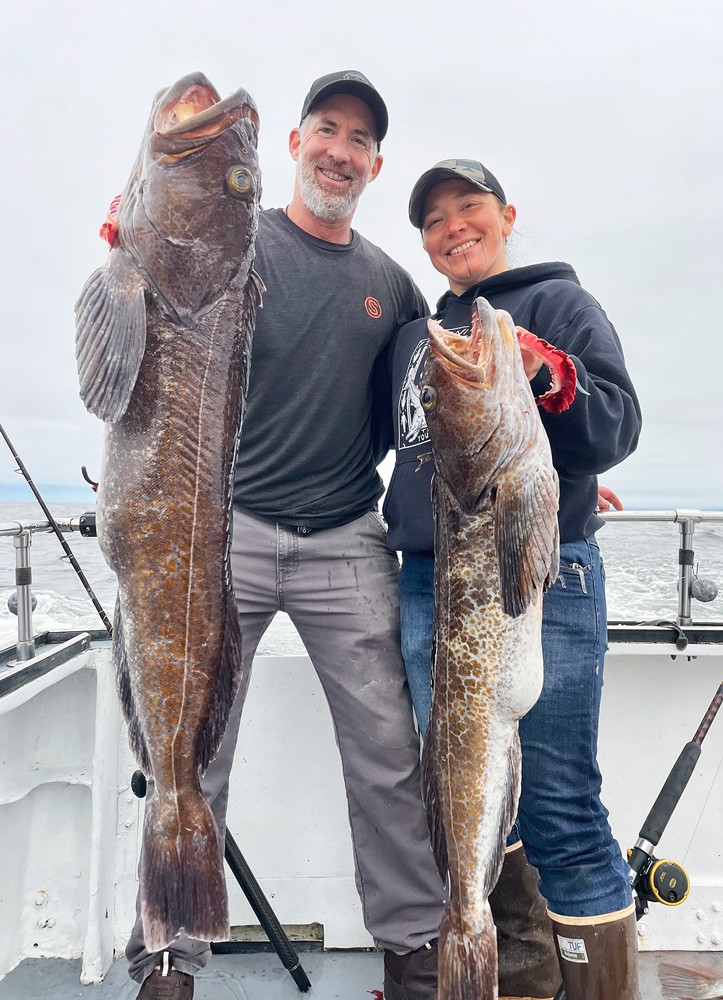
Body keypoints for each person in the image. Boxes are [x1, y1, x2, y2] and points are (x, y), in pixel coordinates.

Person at [127, 70, 447, 1000]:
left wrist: (562, 474)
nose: (339, 151)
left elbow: (426, 420)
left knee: (388, 754)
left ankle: (413, 947)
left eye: (359, 141)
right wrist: (131, 239)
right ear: (297, 142)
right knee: (190, 748)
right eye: (326, 130)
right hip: (218, 536)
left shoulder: (392, 284)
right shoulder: (238, 241)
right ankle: (168, 953)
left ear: (374, 165)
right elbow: (147, 317)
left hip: (346, 536)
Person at [382, 159, 643, 1000]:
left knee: (560, 806)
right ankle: (502, 973)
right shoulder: (423, 335)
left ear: (506, 215)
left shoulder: (557, 305)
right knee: (461, 798)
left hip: (542, 579)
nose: (453, 227)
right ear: (422, 243)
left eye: (469, 208)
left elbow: (613, 423)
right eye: (433, 220)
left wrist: (541, 374)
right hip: (430, 585)